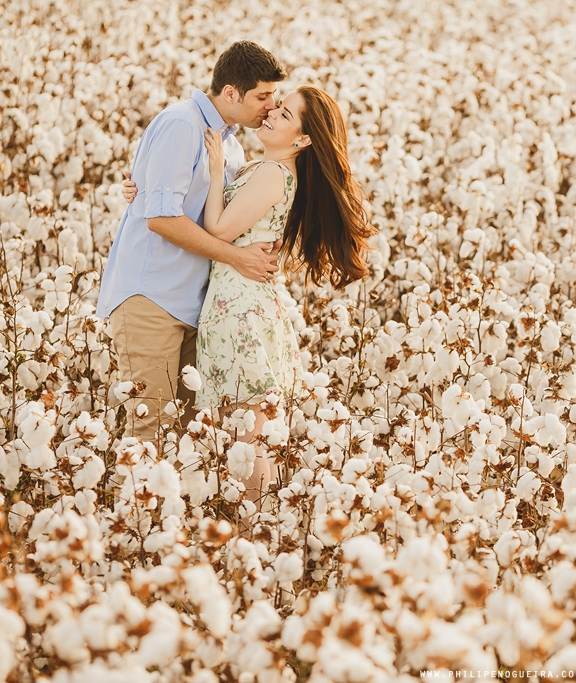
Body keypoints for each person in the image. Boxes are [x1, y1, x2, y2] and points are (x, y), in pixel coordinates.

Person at [124, 86, 376, 505]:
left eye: (287, 113)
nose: (273, 113)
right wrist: (143, 191)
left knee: (248, 430)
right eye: (277, 104)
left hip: (239, 307)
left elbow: (220, 231)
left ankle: (259, 521)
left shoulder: (271, 173)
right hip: (242, 302)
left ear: (303, 139)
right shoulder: (268, 169)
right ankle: (262, 520)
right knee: (251, 428)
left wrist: (218, 169)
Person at [97, 41, 287, 442]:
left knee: (184, 437)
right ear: (231, 93)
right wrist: (237, 257)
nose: (270, 106)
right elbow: (163, 220)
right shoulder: (183, 124)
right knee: (149, 432)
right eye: (263, 97)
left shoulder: (229, 144)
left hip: (193, 305)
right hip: (153, 298)